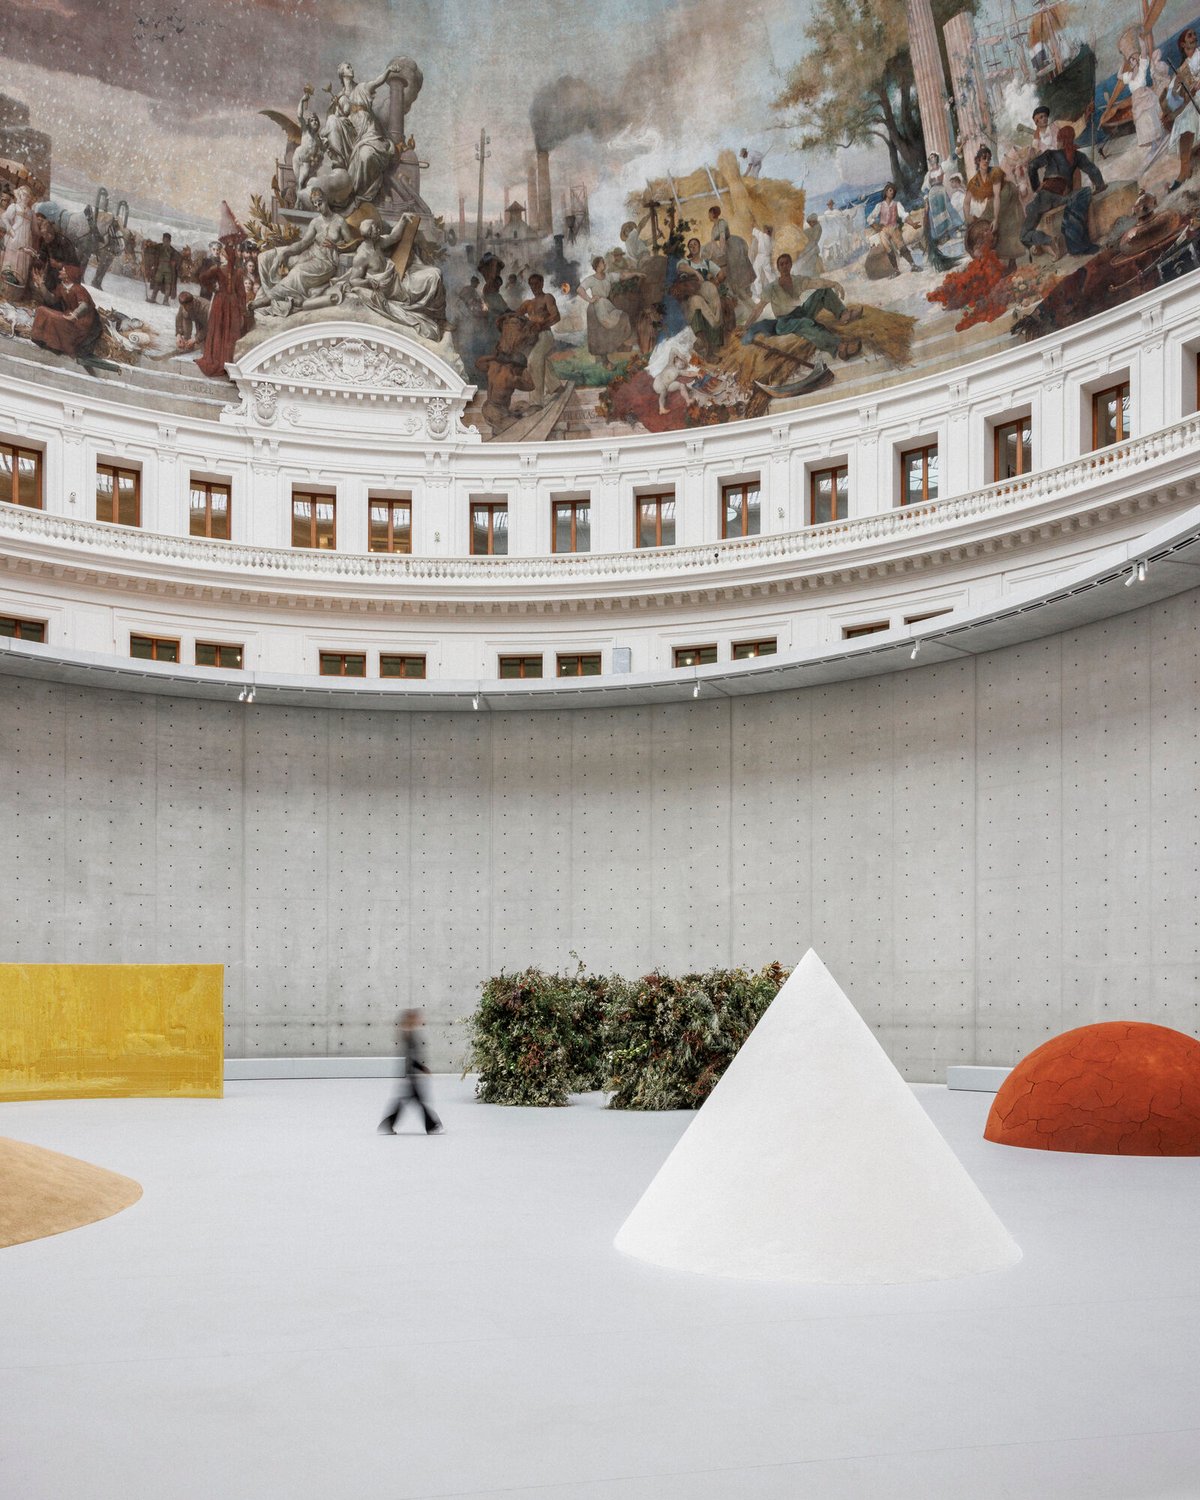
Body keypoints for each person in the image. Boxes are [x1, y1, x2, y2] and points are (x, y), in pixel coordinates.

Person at [740, 251, 862, 361]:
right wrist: (747, 325)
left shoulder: (797, 280)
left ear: (790, 265)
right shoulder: (771, 288)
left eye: (786, 263)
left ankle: (843, 315)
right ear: (778, 267)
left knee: (823, 292)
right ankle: (840, 347)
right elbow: (758, 309)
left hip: (800, 312)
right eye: (781, 264)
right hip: (785, 322)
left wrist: (834, 284)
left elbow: (816, 282)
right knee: (806, 323)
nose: (784, 266)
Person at [1022, 124, 1104, 258]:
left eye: (1058, 140)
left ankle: (1056, 239)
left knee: (1026, 227)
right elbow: (1092, 170)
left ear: (1060, 141)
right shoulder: (1077, 156)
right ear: (1071, 140)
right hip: (1059, 198)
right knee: (1085, 192)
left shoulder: (1051, 154)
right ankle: (1074, 244)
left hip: (1044, 198)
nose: (1057, 142)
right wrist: (1100, 186)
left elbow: (1032, 165)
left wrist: (1036, 187)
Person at [377, 1009, 443, 1135]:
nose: (419, 1020)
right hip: (411, 1074)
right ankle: (432, 1126)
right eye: (416, 1018)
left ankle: (389, 1123)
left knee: (409, 1100)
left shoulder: (409, 1033)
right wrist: (421, 1068)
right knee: (418, 1100)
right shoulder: (408, 1035)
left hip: (410, 1073)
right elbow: (410, 1056)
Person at [963, 145, 1023, 269]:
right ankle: (990, 260)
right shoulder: (974, 181)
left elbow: (997, 196)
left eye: (988, 158)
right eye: (983, 158)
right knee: (984, 222)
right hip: (995, 199)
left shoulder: (995, 172)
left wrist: (995, 218)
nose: (986, 160)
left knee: (1002, 222)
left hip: (1007, 192)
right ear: (978, 160)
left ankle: (1012, 262)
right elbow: (966, 203)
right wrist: (967, 218)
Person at [29, 260, 103, 360]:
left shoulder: (78, 289)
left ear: (69, 275)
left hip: (82, 321)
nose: (60, 272)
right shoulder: (62, 287)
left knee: (55, 318)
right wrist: (41, 284)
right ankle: (40, 338)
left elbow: (84, 305)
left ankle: (55, 344)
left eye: (63, 271)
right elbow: (51, 299)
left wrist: (74, 315)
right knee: (41, 310)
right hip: (69, 315)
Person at [196, 239, 247, 378]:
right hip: (231, 304)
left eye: (223, 255)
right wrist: (213, 287)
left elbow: (202, 278)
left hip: (222, 302)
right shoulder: (235, 272)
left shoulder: (221, 270)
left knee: (222, 330)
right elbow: (241, 294)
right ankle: (225, 361)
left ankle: (219, 360)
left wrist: (213, 287)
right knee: (223, 330)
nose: (221, 256)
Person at [516, 272, 562, 406]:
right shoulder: (528, 303)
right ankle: (555, 386)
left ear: (542, 283)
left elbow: (556, 316)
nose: (534, 286)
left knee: (534, 360)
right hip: (533, 338)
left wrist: (540, 324)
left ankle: (537, 402)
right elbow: (515, 316)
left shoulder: (547, 298)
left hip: (545, 335)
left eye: (537, 283)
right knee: (539, 359)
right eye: (532, 284)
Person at [578, 255, 632, 366]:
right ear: (598, 265)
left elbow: (622, 276)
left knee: (622, 317)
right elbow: (579, 289)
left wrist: (635, 274)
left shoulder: (608, 276)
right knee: (600, 334)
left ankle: (616, 348)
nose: (605, 264)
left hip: (607, 305)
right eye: (603, 262)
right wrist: (589, 299)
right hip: (596, 308)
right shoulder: (591, 279)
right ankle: (603, 360)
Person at [1166, 28, 1200, 191]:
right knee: (1182, 119)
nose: (1194, 37)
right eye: (1189, 35)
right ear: (1182, 44)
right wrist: (1178, 87)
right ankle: (1184, 169)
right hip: (1195, 98)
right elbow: (1174, 100)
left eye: (1194, 34)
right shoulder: (1182, 68)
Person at [867, 183, 916, 271]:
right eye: (890, 190)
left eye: (893, 191)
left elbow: (904, 216)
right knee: (888, 250)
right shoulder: (880, 205)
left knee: (902, 247)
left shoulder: (897, 204)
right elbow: (870, 218)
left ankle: (913, 265)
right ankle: (896, 270)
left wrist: (912, 224)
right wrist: (876, 226)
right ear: (886, 192)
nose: (892, 192)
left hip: (894, 228)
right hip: (883, 230)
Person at [1, 185, 37, 295]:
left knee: (22, 262)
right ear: (19, 195)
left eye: (28, 196)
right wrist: (10, 229)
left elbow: (35, 229)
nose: (26, 198)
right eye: (24, 195)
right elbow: (4, 218)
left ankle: (16, 291)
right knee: (10, 262)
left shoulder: (31, 212)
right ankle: (5, 289)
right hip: (14, 237)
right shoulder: (14, 207)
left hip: (26, 240)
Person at [145, 232, 179, 304]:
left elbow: (177, 257)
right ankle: (153, 298)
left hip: (168, 270)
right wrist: (148, 246)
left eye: (167, 241)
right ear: (162, 240)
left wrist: (174, 263)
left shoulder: (172, 250)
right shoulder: (159, 247)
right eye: (164, 240)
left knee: (168, 285)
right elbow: (151, 250)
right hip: (160, 268)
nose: (165, 242)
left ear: (169, 241)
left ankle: (165, 301)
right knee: (157, 283)